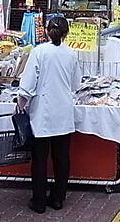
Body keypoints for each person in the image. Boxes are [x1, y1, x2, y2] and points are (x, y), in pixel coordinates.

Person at [18, 17, 81, 214]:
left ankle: (38, 201)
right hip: (63, 111)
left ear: (46, 31)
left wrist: (20, 104)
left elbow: (28, 84)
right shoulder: (71, 54)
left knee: (39, 158)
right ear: (66, 33)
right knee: (61, 158)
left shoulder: (39, 52)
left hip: (42, 112)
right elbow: (76, 84)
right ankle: (58, 199)